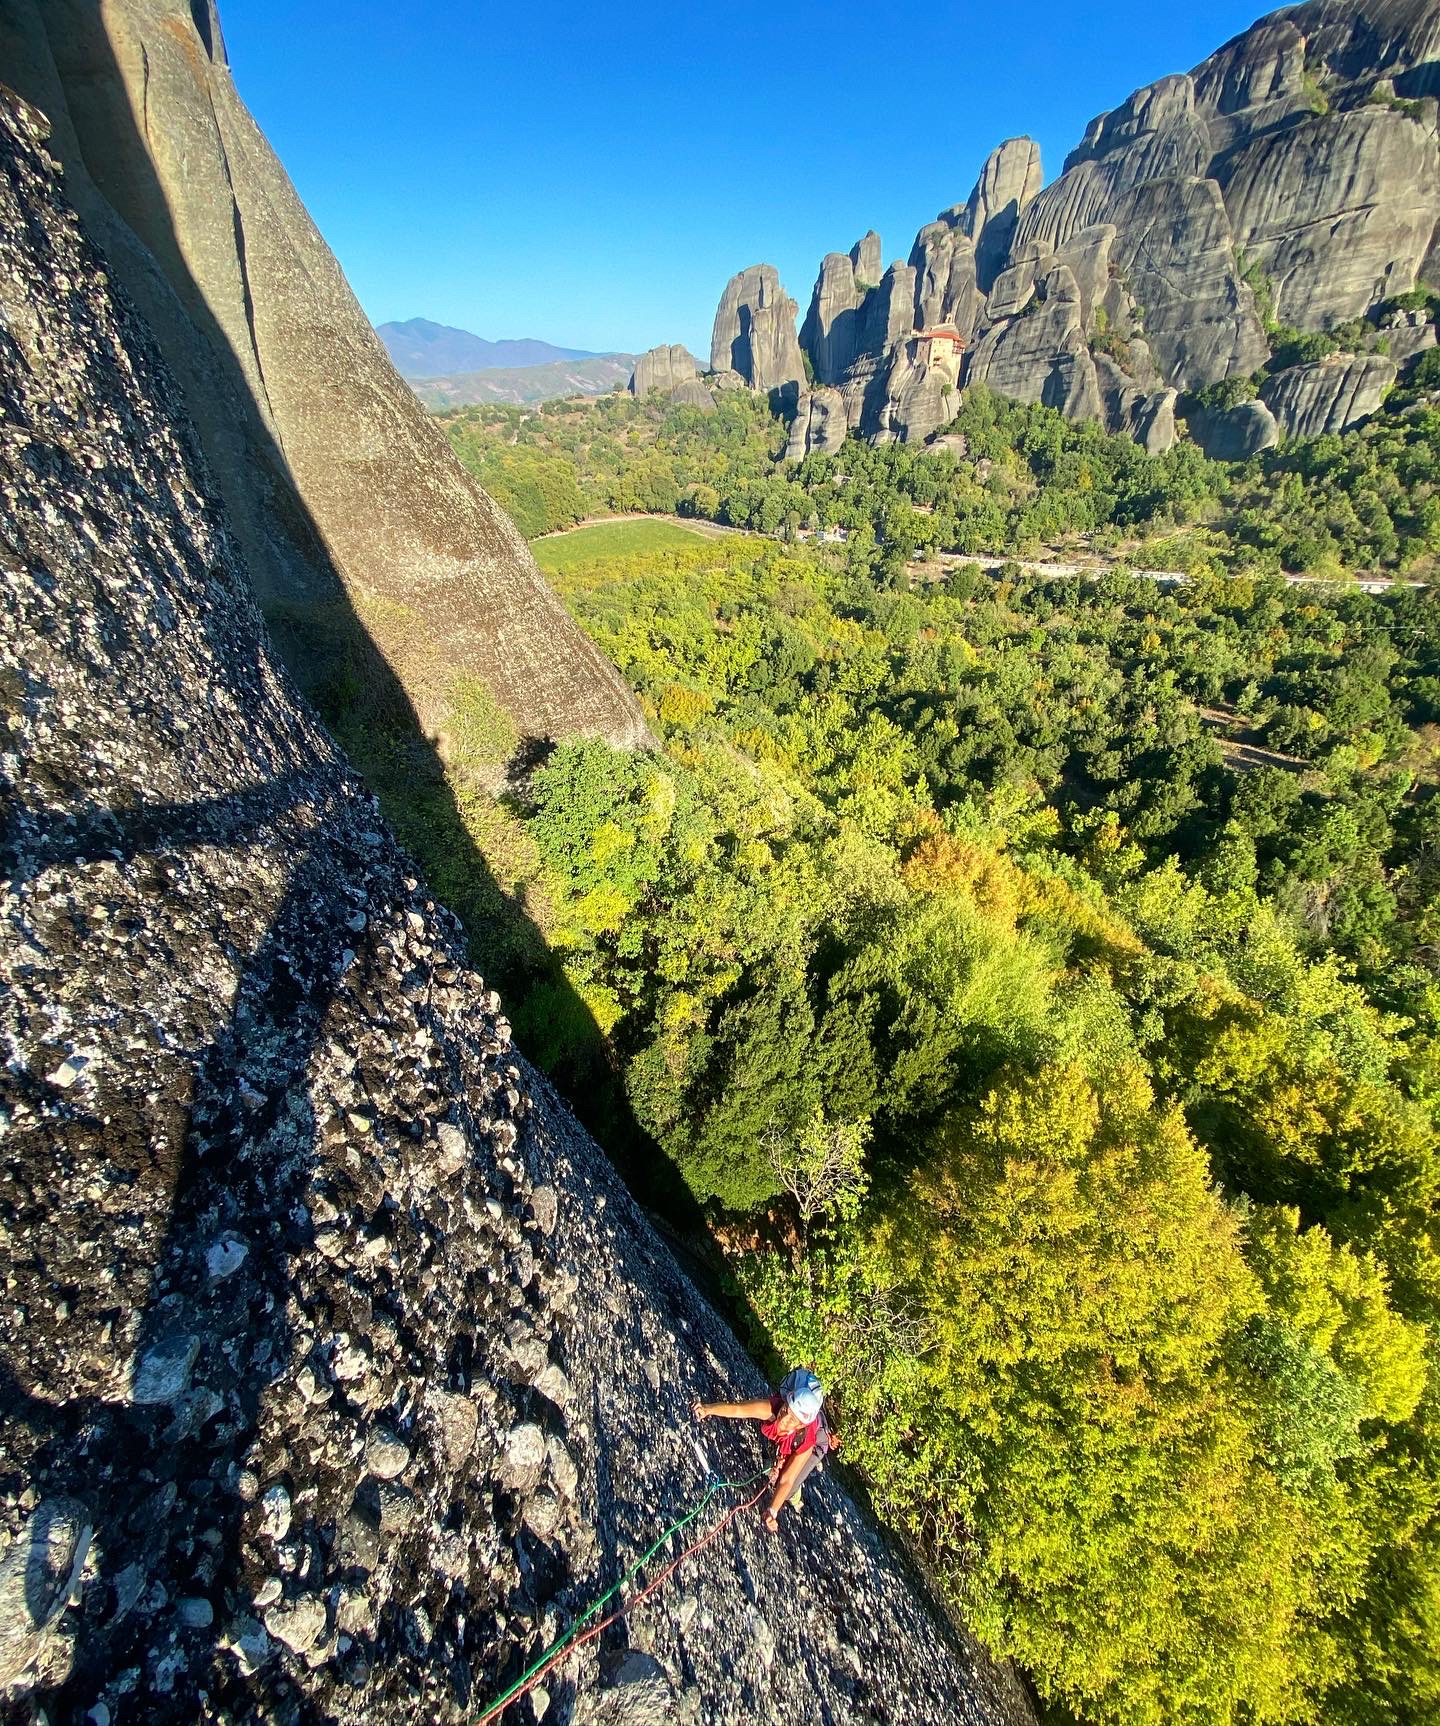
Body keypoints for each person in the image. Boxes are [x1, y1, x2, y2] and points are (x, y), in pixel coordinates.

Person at [692, 1368, 827, 1533]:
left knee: (787, 1487)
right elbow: (738, 1409)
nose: (783, 1419)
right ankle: (780, 1462)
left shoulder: (807, 1438)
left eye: (792, 1419)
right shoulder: (773, 1408)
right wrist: (707, 1409)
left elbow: (787, 1479)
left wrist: (772, 1511)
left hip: (817, 1443)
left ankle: (796, 1496)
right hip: (792, 1439)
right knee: (773, 1465)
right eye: (785, 1410)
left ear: (801, 1424)